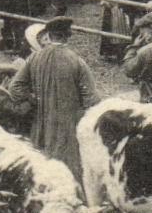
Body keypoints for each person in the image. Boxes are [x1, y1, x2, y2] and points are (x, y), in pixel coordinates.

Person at [9, 16, 97, 179]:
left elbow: (15, 87)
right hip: (67, 129)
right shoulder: (76, 61)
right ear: (67, 36)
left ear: (49, 36)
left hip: (40, 125)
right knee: (69, 173)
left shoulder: (34, 58)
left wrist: (32, 99)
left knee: (42, 169)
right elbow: (92, 99)